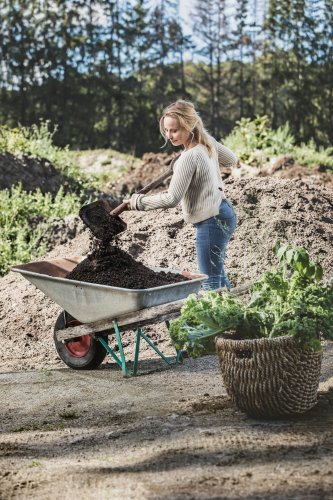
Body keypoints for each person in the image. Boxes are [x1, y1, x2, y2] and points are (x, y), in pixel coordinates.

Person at [126, 99, 238, 290]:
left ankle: (218, 318)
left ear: (189, 126)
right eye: (166, 130)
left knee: (210, 282)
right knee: (217, 276)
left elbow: (172, 198)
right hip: (225, 214)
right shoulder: (206, 143)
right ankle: (237, 315)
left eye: (174, 130)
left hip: (211, 221)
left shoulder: (188, 157)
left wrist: (138, 202)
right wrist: (205, 141)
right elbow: (231, 159)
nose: (169, 135)